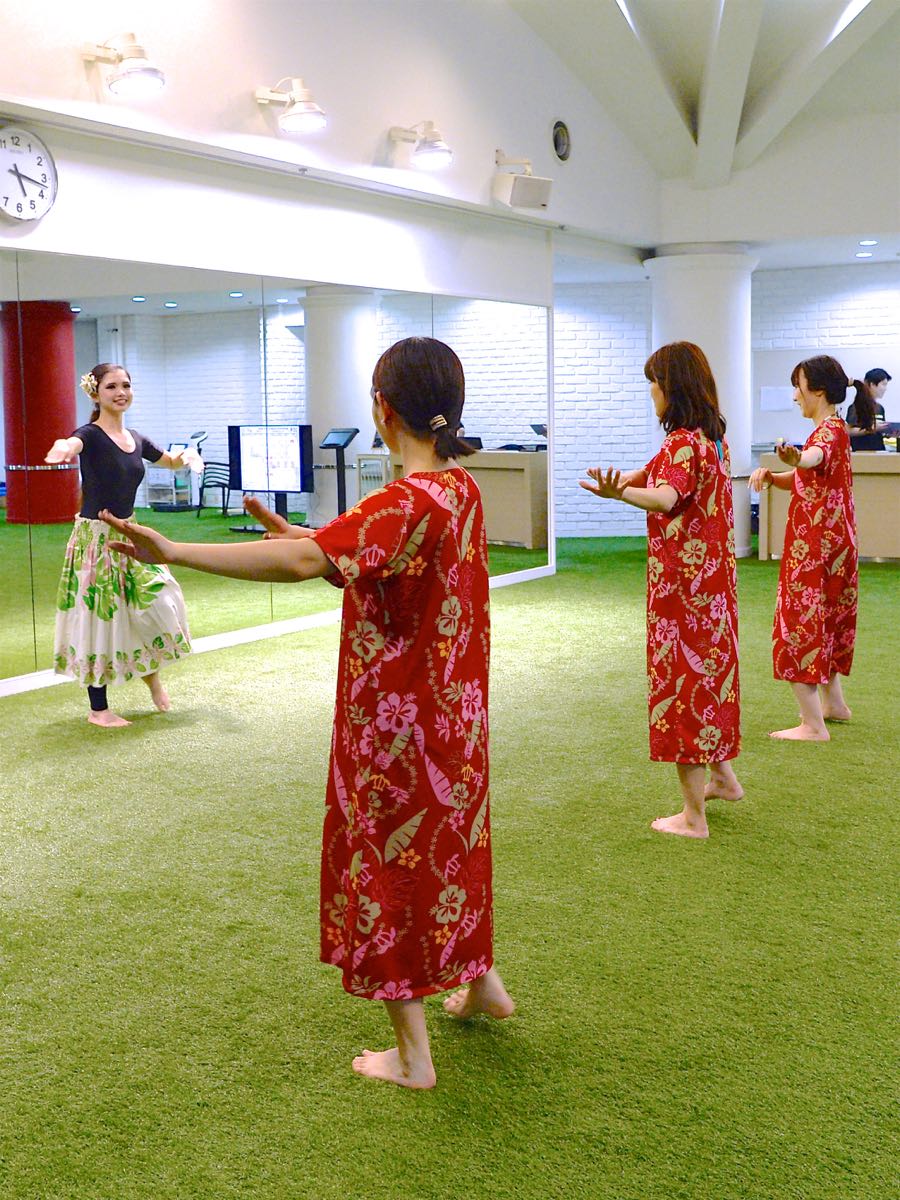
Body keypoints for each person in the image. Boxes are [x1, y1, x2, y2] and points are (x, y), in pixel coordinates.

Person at [101, 337, 514, 1089]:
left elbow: (306, 565)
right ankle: (481, 982)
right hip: (454, 718)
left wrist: (176, 550)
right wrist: (304, 537)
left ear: (383, 409)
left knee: (389, 863)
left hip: (394, 728)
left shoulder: (402, 501)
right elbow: (362, 561)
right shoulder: (461, 490)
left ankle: (413, 1056)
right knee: (454, 846)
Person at [580, 341, 742, 839]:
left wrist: (621, 494)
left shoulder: (682, 444)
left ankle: (693, 818)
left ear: (671, 387)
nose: (651, 392)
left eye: (654, 383)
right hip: (714, 593)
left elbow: (667, 496)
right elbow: (658, 475)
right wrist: (627, 480)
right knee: (710, 683)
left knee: (683, 690)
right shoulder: (712, 441)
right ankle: (723, 779)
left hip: (683, 597)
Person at [44, 363, 199, 728]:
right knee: (100, 619)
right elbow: (74, 443)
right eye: (112, 386)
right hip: (95, 540)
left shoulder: (136, 438)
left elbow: (170, 461)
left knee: (157, 600)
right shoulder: (90, 435)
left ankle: (152, 677)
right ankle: (98, 709)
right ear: (95, 393)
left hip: (130, 533)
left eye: (126, 385)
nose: (121, 392)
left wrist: (189, 456)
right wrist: (63, 447)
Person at [749, 355, 858, 741]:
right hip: (834, 546)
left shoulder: (826, 434)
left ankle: (812, 724)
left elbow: (813, 459)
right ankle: (834, 705)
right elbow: (807, 475)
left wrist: (797, 457)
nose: (795, 395)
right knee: (824, 620)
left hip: (815, 549)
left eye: (799, 386)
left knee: (799, 623)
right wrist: (775, 475)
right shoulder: (836, 429)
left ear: (819, 391)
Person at [845, 368, 891, 451]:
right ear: (872, 384)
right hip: (861, 453)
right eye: (883, 384)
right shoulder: (856, 407)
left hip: (878, 452)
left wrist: (888, 431)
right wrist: (871, 429)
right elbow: (849, 431)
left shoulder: (880, 408)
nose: (885, 388)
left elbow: (877, 431)